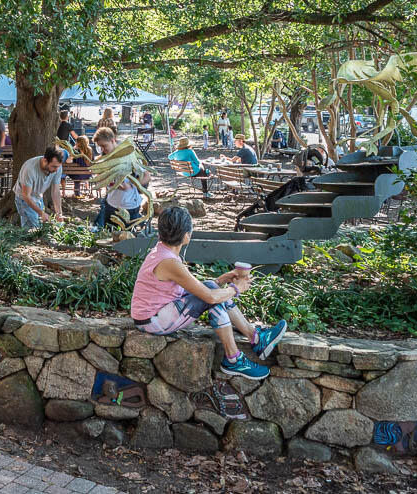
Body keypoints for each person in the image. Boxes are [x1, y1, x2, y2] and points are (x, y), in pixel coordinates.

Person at [131, 207, 285, 380]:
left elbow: (196, 288)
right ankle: (234, 358)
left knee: (211, 286)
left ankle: (256, 339)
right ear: (186, 236)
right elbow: (209, 297)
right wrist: (236, 289)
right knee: (214, 301)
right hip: (152, 321)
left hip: (153, 316)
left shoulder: (162, 252)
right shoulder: (169, 262)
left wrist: (221, 280)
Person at [92, 127, 147, 231]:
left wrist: (132, 185)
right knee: (110, 237)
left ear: (113, 140)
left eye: (104, 146)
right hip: (111, 204)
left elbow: (147, 175)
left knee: (128, 239)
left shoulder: (129, 154)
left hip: (129, 206)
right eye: (100, 147)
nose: (103, 149)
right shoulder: (104, 158)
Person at [13, 147, 63, 228]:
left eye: (58, 166)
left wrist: (59, 213)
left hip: (38, 197)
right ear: (45, 160)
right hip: (24, 199)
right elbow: (26, 195)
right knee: (31, 229)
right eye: (54, 166)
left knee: (40, 228)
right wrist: (41, 213)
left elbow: (55, 192)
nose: (57, 170)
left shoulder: (57, 167)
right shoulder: (29, 169)